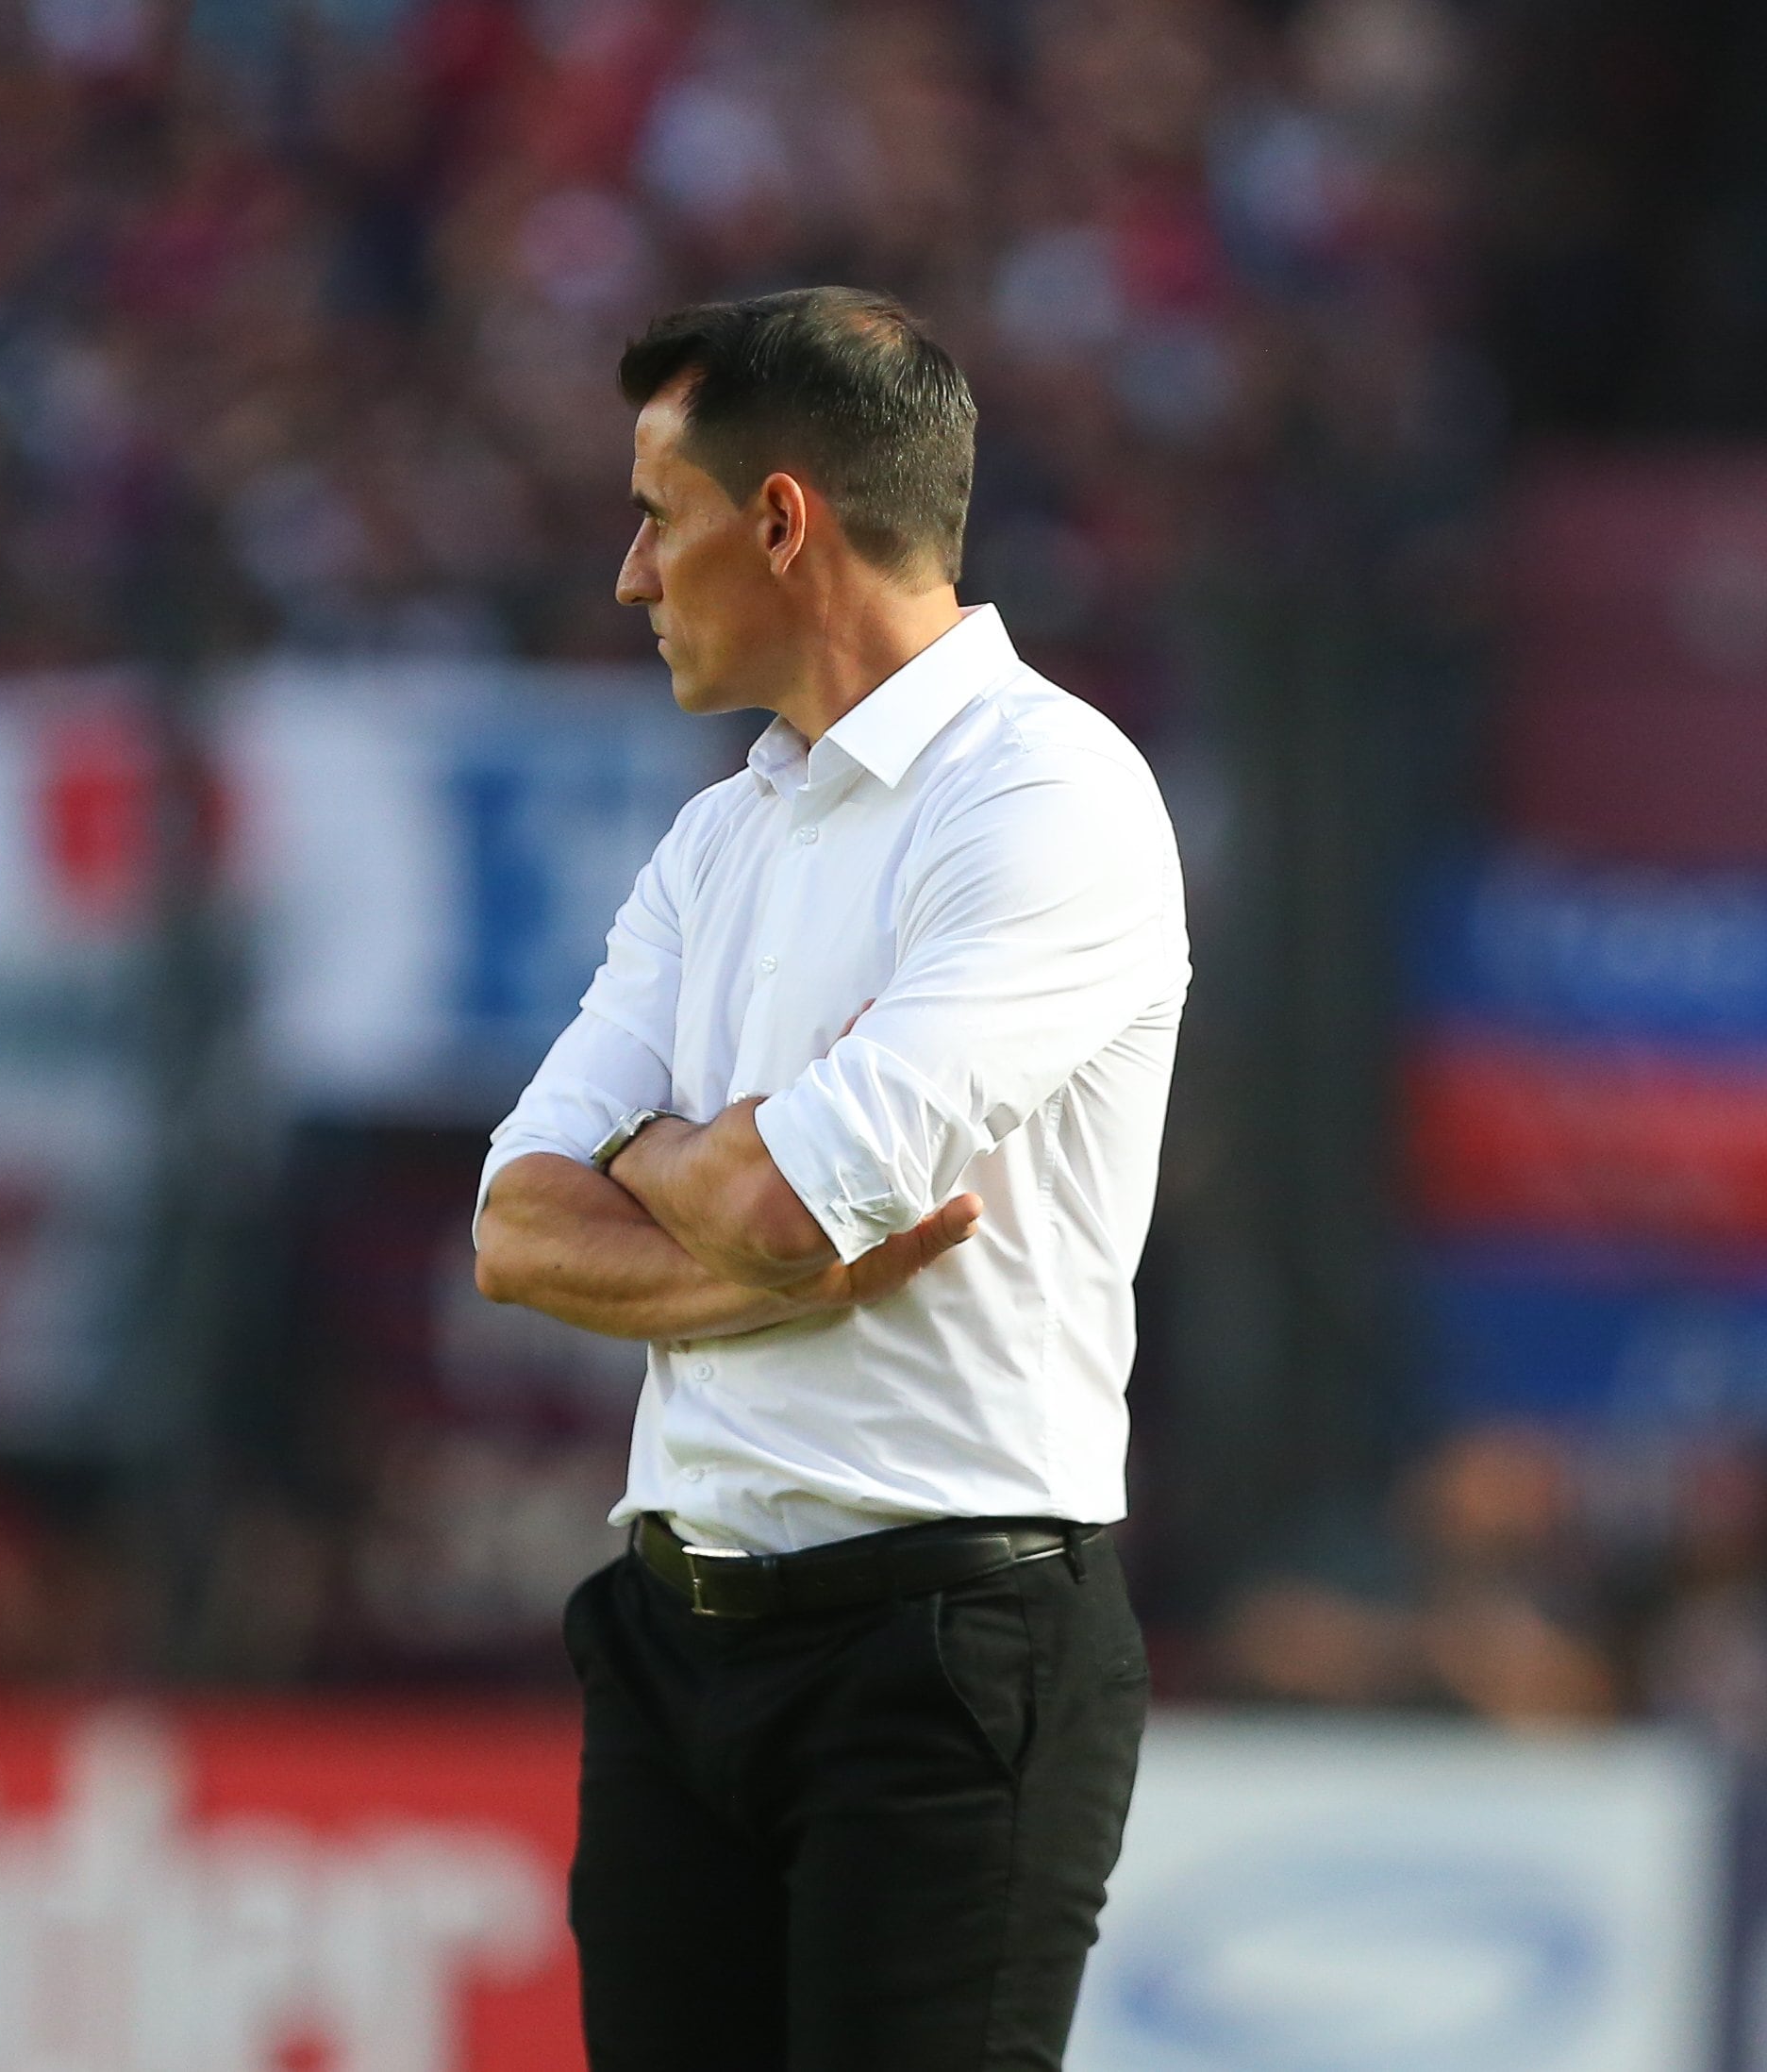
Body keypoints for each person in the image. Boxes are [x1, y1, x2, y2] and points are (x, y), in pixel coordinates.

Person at [470, 287, 1191, 2071]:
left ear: (778, 519)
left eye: (658, 514)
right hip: (674, 1637)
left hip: (942, 1652)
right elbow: (512, 1227)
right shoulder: (724, 832)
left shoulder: (1049, 797)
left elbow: (791, 1204)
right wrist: (730, 1221)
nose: (631, 573)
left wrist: (671, 1173)